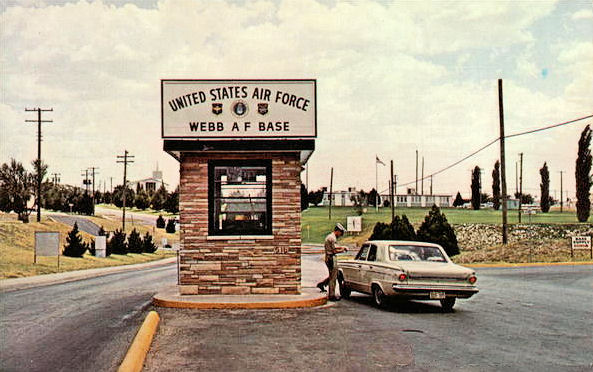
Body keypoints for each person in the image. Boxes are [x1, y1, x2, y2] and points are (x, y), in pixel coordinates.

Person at [316, 223, 348, 301]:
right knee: (333, 277)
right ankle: (332, 295)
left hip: (329, 257)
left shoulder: (331, 237)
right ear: (337, 231)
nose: (341, 234)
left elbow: (336, 247)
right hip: (331, 258)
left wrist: (342, 247)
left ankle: (322, 284)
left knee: (334, 274)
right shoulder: (332, 238)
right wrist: (343, 250)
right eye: (341, 232)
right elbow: (334, 250)